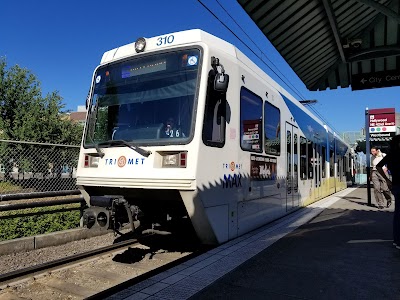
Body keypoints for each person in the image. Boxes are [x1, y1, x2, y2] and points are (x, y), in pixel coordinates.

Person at [376, 135, 400, 250]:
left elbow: (378, 166)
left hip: (395, 185)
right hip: (398, 186)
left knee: (398, 214)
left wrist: (387, 181)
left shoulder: (391, 155)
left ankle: (397, 240)